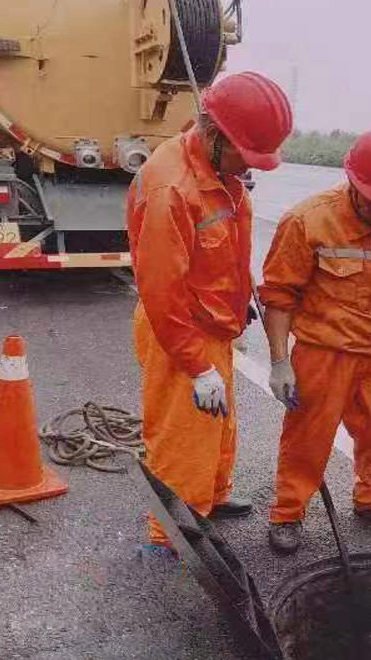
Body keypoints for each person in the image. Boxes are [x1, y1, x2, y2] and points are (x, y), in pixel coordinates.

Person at [127, 72, 292, 550]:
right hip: (180, 329)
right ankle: (172, 533)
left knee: (218, 426)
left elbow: (223, 251)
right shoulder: (171, 189)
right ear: (216, 135)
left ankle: (212, 497)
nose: (248, 167)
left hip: (213, 323)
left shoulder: (220, 172)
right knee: (182, 437)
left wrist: (243, 300)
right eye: (246, 153)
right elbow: (162, 291)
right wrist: (197, 365)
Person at [259, 124, 371, 553]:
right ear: (356, 184)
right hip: (326, 352)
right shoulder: (308, 221)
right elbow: (279, 296)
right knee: (308, 436)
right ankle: (288, 513)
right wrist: (280, 361)